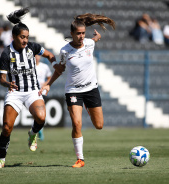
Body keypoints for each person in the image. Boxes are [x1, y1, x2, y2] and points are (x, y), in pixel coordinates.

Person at [0, 8, 65, 168]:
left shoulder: (32, 47)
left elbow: (49, 54)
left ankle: (32, 133)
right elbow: (1, 79)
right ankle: (1, 160)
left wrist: (54, 64)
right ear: (14, 37)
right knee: (6, 127)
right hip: (15, 93)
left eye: (27, 37)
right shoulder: (6, 54)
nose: (25, 40)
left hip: (33, 91)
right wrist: (7, 84)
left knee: (41, 118)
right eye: (22, 37)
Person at [42, 13, 115, 168]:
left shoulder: (89, 43)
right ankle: (80, 159)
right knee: (77, 123)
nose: (81, 36)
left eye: (83, 33)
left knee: (99, 125)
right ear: (72, 34)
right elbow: (59, 70)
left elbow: (94, 40)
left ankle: (88, 107)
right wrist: (48, 84)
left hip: (91, 89)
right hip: (73, 91)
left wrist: (97, 37)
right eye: (78, 34)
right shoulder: (65, 51)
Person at [35, 54, 52, 141]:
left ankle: (40, 129)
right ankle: (37, 129)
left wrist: (45, 84)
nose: (36, 57)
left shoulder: (44, 66)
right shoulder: (30, 66)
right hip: (33, 92)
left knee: (41, 111)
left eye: (38, 55)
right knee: (36, 112)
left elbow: (50, 77)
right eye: (35, 55)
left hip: (42, 92)